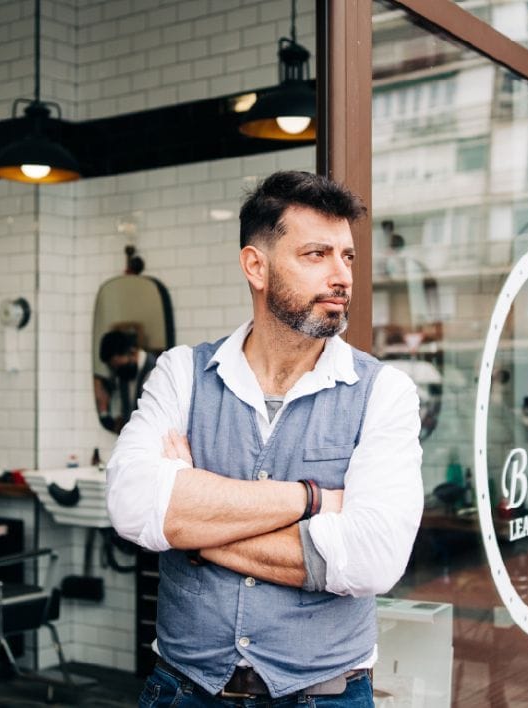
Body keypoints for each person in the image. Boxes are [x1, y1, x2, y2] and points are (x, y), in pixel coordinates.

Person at [106, 171, 424, 705]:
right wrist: (312, 500)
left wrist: (192, 526)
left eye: (347, 257)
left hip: (323, 696)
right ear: (257, 266)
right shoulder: (183, 373)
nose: (341, 276)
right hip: (184, 689)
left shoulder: (384, 392)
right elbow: (131, 504)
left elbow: (373, 559)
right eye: (316, 255)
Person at [95, 329, 157, 433]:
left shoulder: (154, 370)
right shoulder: (123, 373)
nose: (116, 370)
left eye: (117, 364)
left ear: (131, 352)